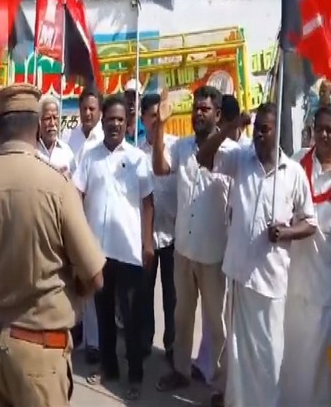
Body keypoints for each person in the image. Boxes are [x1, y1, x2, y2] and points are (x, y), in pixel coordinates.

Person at [0, 83, 105, 407]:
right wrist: (71, 292)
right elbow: (95, 275)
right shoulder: (57, 186)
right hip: (40, 354)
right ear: (37, 127)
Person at [195, 102, 316, 407]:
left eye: (266, 129)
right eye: (257, 128)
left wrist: (286, 232)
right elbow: (203, 156)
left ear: (278, 133)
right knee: (237, 355)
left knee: (269, 356)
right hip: (240, 276)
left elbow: (310, 222)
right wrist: (231, 126)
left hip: (272, 283)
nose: (259, 135)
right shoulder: (240, 158)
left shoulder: (294, 173)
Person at [154, 86, 235, 407]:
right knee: (182, 317)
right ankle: (181, 371)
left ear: (217, 114)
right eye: (196, 109)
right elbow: (160, 169)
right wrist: (160, 124)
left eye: (205, 109)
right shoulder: (182, 146)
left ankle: (221, 386)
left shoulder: (231, 153)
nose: (198, 113)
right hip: (184, 250)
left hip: (214, 256)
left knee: (217, 326)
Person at [76, 94, 155, 399]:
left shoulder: (137, 158)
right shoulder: (89, 156)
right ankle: (109, 369)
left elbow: (148, 202)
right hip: (98, 252)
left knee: (131, 317)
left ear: (126, 123)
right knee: (104, 313)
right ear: (102, 120)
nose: (116, 124)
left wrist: (148, 243)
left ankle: (135, 375)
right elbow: (77, 196)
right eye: (111, 118)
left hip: (130, 251)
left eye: (121, 120)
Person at [192, 92, 249, 383]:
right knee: (217, 314)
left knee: (229, 318)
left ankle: (228, 375)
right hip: (220, 245)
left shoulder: (247, 151)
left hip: (244, 249)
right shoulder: (223, 150)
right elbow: (204, 158)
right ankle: (209, 366)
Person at [280, 106, 331, 406]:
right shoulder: (298, 162)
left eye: (330, 129)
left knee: (319, 369)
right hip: (293, 284)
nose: (324, 134)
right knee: (293, 357)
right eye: (320, 127)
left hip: (325, 290)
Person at [64, 85, 103, 364]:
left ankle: (97, 343)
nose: (87, 113)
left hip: (96, 222)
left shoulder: (106, 138)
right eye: (84, 109)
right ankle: (80, 335)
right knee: (76, 279)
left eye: (92, 108)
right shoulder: (71, 138)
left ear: (99, 110)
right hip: (73, 221)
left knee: (96, 281)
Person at [138, 93, 177, 364]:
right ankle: (144, 340)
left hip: (174, 233)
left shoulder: (175, 147)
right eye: (150, 116)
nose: (155, 121)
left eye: (158, 115)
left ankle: (172, 344)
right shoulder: (136, 152)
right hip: (148, 235)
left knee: (172, 296)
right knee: (144, 292)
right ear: (142, 119)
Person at [36, 95, 76, 175]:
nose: (52, 123)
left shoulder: (66, 151)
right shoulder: (33, 150)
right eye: (48, 118)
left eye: (55, 118)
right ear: (39, 121)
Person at [123, 78, 145, 144]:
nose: (131, 101)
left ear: (140, 99)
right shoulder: (120, 129)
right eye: (128, 97)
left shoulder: (146, 128)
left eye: (134, 97)